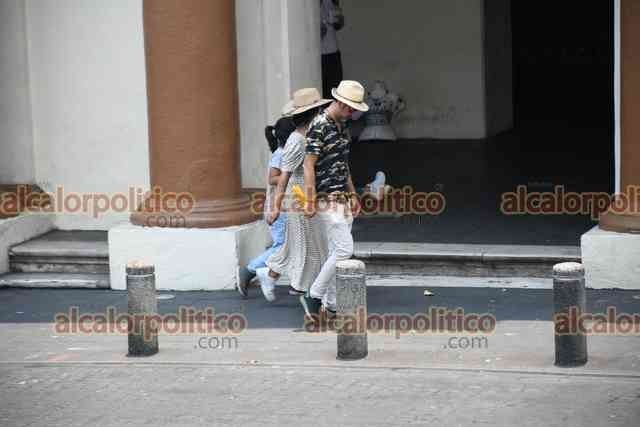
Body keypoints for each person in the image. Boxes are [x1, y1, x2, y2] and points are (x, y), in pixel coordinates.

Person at [255, 88, 332, 302]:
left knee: (300, 245)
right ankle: (310, 291)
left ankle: (296, 284)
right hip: (299, 199)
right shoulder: (296, 140)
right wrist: (276, 208)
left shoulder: (309, 136)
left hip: (307, 195)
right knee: (307, 245)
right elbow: (284, 177)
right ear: (314, 113)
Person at [300, 80, 369, 319]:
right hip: (325, 197)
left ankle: (330, 304)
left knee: (335, 251)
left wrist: (353, 194)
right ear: (338, 102)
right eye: (350, 108)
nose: (352, 113)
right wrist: (309, 200)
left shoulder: (342, 126)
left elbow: (343, 163)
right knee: (344, 249)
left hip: (341, 196)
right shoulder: (319, 125)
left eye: (354, 109)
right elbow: (308, 165)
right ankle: (314, 294)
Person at [237, 117, 296, 298]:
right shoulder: (280, 153)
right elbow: (272, 178)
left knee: (288, 246)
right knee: (282, 246)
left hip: (286, 206)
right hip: (278, 207)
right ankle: (250, 270)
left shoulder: (286, 151)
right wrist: (291, 176)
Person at [320, 0, 345, 99]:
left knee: (335, 94)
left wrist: (339, 20)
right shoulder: (308, 6)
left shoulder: (329, 1)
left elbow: (339, 25)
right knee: (318, 96)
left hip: (333, 53)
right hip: (317, 56)